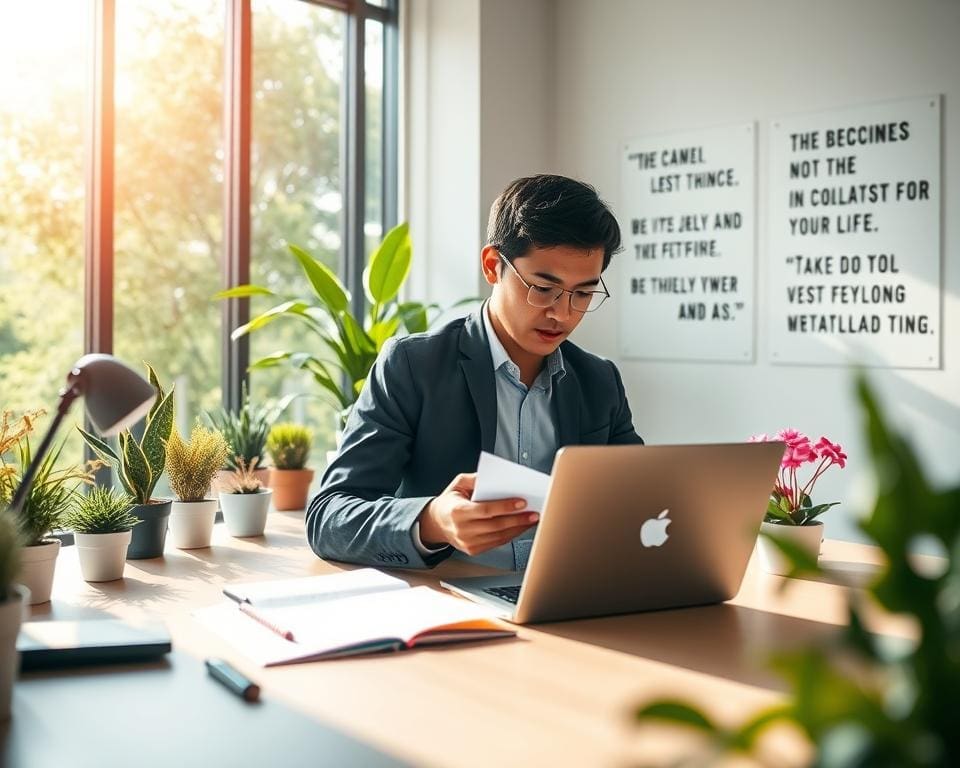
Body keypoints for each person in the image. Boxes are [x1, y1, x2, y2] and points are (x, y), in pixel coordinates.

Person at [306, 174, 643, 570]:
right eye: (543, 288)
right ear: (492, 266)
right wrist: (432, 521)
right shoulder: (413, 367)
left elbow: (640, 502)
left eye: (583, 293)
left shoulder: (599, 381)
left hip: (565, 598)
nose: (562, 313)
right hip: (451, 602)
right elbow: (329, 517)